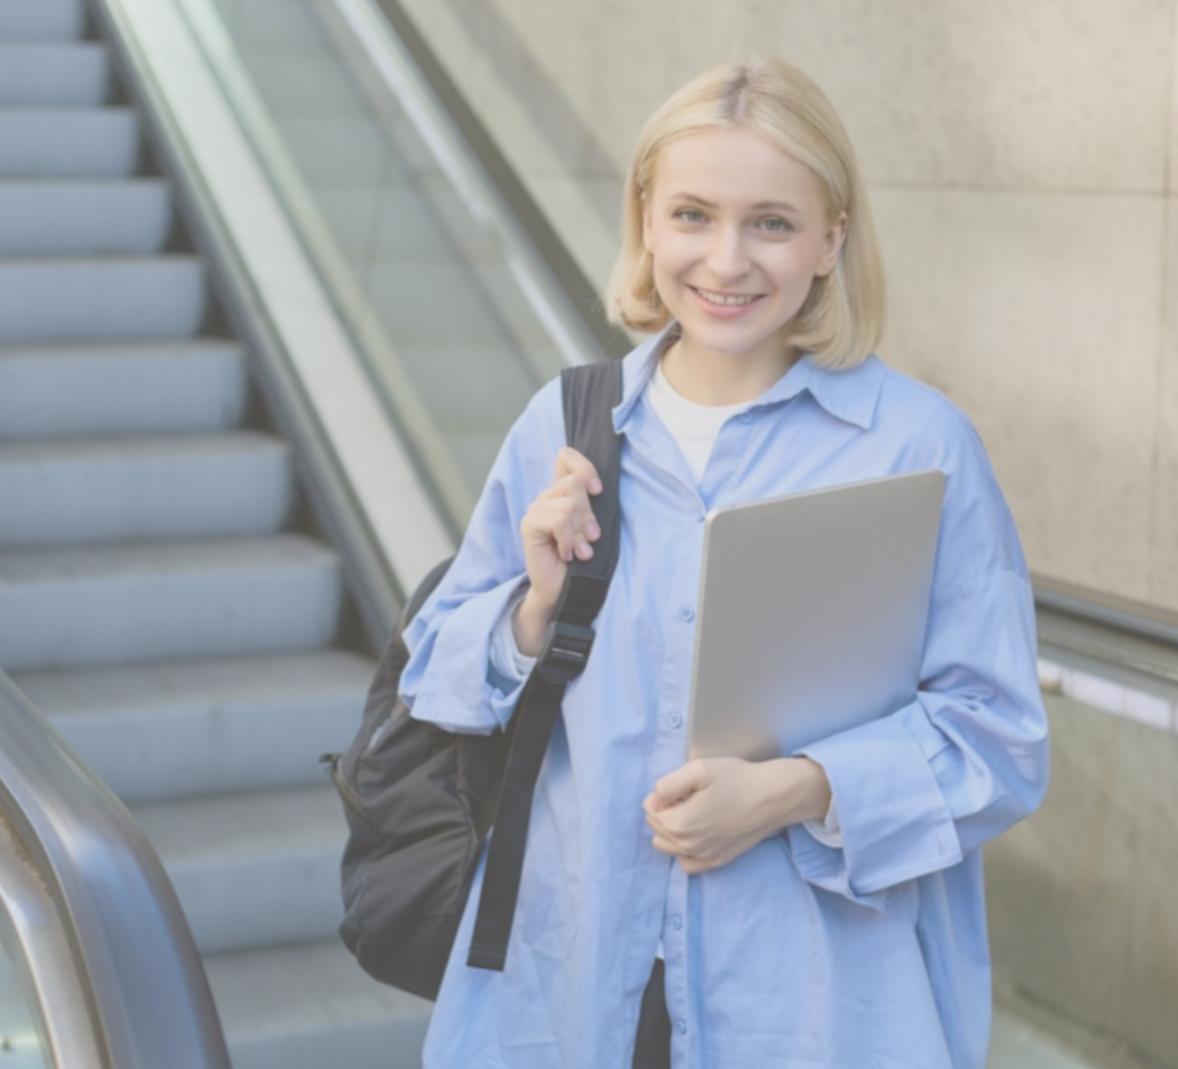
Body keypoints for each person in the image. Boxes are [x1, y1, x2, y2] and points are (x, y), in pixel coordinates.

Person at [398, 57, 1049, 1069]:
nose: (726, 260)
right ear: (646, 220)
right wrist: (532, 611)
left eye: (772, 223)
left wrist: (797, 790)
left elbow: (998, 739)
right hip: (568, 990)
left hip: (812, 1011)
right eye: (693, 215)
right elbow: (434, 673)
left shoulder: (917, 447)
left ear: (832, 237)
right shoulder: (565, 424)